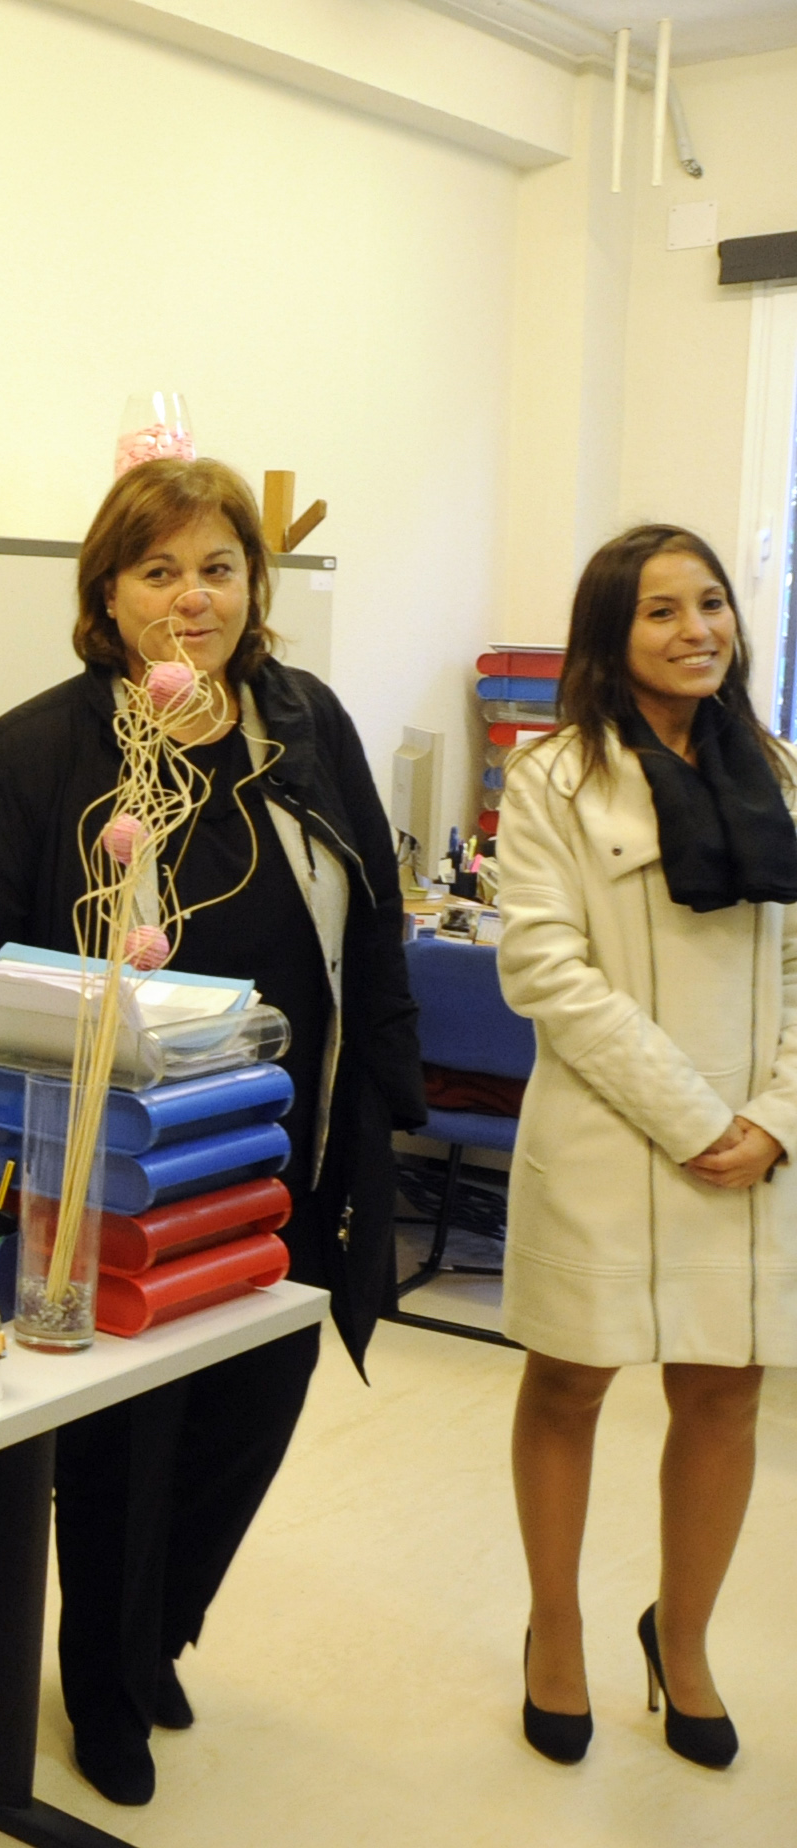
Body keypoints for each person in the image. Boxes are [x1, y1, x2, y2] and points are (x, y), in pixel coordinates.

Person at [0, 457, 422, 1805]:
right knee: (123, 1442)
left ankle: (158, 1629)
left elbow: (374, 919)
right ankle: (103, 1680)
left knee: (255, 1409)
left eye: (217, 569)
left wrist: (388, 1106)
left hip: (279, 1153)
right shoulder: (40, 750)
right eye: (158, 572)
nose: (190, 598)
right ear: (107, 598)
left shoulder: (302, 724)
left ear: (256, 588)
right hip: (110, 1175)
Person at [497, 523, 793, 1772]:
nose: (697, 630)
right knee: (570, 1384)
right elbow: (543, 971)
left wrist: (775, 1117)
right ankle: (555, 1632)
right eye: (662, 610)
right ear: (610, 637)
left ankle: (683, 1640)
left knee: (725, 1392)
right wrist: (694, 1117)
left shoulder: (778, 772)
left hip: (750, 1152)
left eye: (711, 603)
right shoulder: (552, 781)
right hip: (610, 1139)